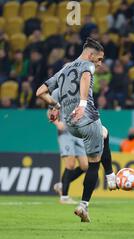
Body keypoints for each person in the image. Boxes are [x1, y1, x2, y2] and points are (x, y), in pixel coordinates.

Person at [36, 38, 117, 223]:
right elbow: (87, 76)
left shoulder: (65, 68)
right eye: (99, 59)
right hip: (86, 118)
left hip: (71, 125)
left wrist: (55, 106)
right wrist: (82, 104)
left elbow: (40, 92)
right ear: (90, 55)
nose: (100, 63)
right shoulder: (87, 66)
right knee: (93, 163)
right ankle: (85, 204)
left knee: (104, 134)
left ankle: (110, 176)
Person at [50, 89, 88, 204]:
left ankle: (61, 185)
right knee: (70, 164)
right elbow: (50, 111)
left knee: (85, 166)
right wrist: (57, 123)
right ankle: (64, 197)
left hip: (78, 132)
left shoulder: (83, 90)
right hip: (65, 133)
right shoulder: (57, 92)